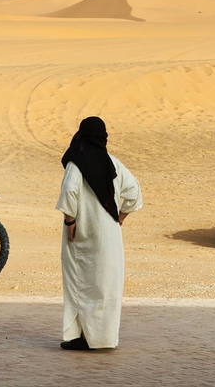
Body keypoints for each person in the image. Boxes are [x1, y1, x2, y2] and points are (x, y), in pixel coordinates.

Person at [56, 116, 143, 351]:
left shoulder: (76, 164)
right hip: (109, 237)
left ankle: (80, 336)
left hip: (81, 235)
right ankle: (102, 339)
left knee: (80, 283)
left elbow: (69, 192)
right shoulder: (112, 163)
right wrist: (122, 215)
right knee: (105, 286)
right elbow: (134, 191)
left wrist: (70, 221)